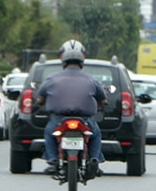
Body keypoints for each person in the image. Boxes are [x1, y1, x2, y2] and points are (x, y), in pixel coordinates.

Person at [36, 39, 107, 176]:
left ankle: (53, 160)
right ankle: (94, 159)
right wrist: (100, 106)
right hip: (85, 120)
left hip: (58, 120)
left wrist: (42, 103)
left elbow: (40, 99)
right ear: (82, 60)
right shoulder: (92, 80)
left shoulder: (51, 80)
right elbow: (103, 100)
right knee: (95, 135)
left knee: (50, 134)